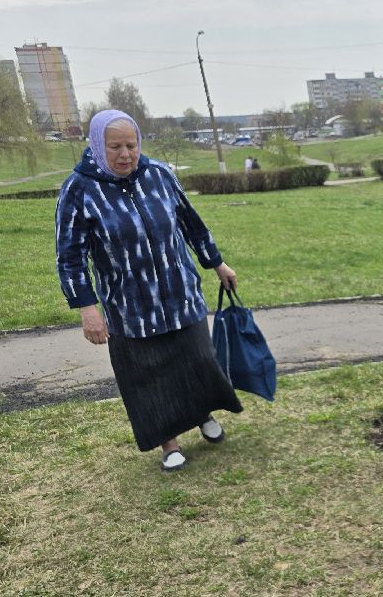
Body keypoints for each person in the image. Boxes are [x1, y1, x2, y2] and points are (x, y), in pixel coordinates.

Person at [56, 110, 243, 472]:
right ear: (97, 146)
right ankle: (168, 443)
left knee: (196, 360)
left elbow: (191, 224)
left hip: (179, 293)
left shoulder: (158, 174)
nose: (125, 154)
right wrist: (86, 307)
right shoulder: (78, 190)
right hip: (129, 305)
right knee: (149, 376)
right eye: (115, 147)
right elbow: (70, 255)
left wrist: (217, 264)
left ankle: (202, 413)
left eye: (131, 144)